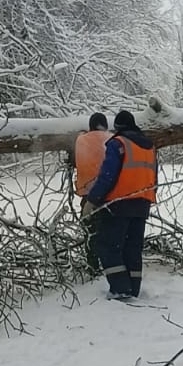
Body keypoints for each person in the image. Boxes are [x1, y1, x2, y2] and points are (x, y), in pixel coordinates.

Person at [85, 110, 157, 301]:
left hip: (119, 203)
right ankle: (133, 289)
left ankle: (120, 289)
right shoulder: (149, 147)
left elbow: (107, 176)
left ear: (117, 128)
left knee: (108, 246)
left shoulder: (118, 144)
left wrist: (93, 199)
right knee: (132, 248)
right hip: (143, 203)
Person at [74, 112, 110, 275]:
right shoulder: (111, 139)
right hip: (109, 193)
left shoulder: (81, 140)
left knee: (91, 234)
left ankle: (93, 267)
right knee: (109, 232)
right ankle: (110, 265)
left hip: (88, 194)